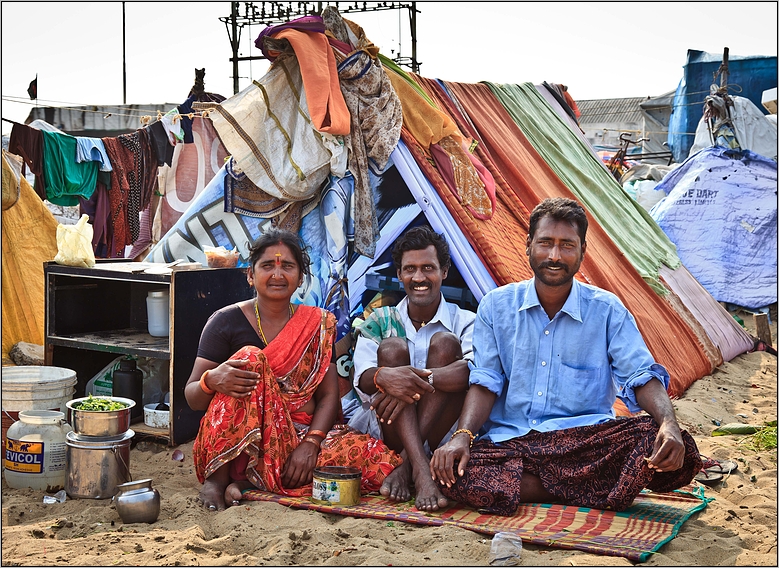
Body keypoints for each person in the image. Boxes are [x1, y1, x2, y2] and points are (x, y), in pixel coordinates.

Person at [430, 197, 702, 515]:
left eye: (566, 245)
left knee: (666, 442)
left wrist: (668, 423)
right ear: (529, 245)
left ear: (582, 251)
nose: (555, 256)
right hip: (515, 441)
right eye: (546, 243)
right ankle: (590, 488)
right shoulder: (496, 306)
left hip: (584, 443)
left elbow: (640, 375)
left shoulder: (607, 310)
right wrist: (463, 436)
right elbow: (485, 380)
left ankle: (541, 486)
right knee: (453, 473)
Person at [186, 228, 402, 511]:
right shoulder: (225, 322)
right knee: (250, 358)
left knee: (374, 457)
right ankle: (218, 481)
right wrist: (211, 380)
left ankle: (253, 485)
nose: (277, 274)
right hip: (243, 445)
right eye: (267, 266)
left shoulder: (317, 325)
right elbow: (192, 398)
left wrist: (310, 444)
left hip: (298, 438)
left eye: (287, 266)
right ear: (250, 275)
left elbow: (327, 397)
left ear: (300, 278)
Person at [350, 225, 475, 512]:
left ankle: (409, 465)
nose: (419, 278)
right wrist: (387, 376)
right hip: (390, 428)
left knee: (445, 344)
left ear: (444, 272)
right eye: (410, 269)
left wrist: (415, 379)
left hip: (442, 430)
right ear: (399, 274)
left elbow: (474, 373)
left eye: (428, 268)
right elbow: (364, 377)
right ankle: (420, 466)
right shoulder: (381, 319)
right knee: (391, 350)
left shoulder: (465, 320)